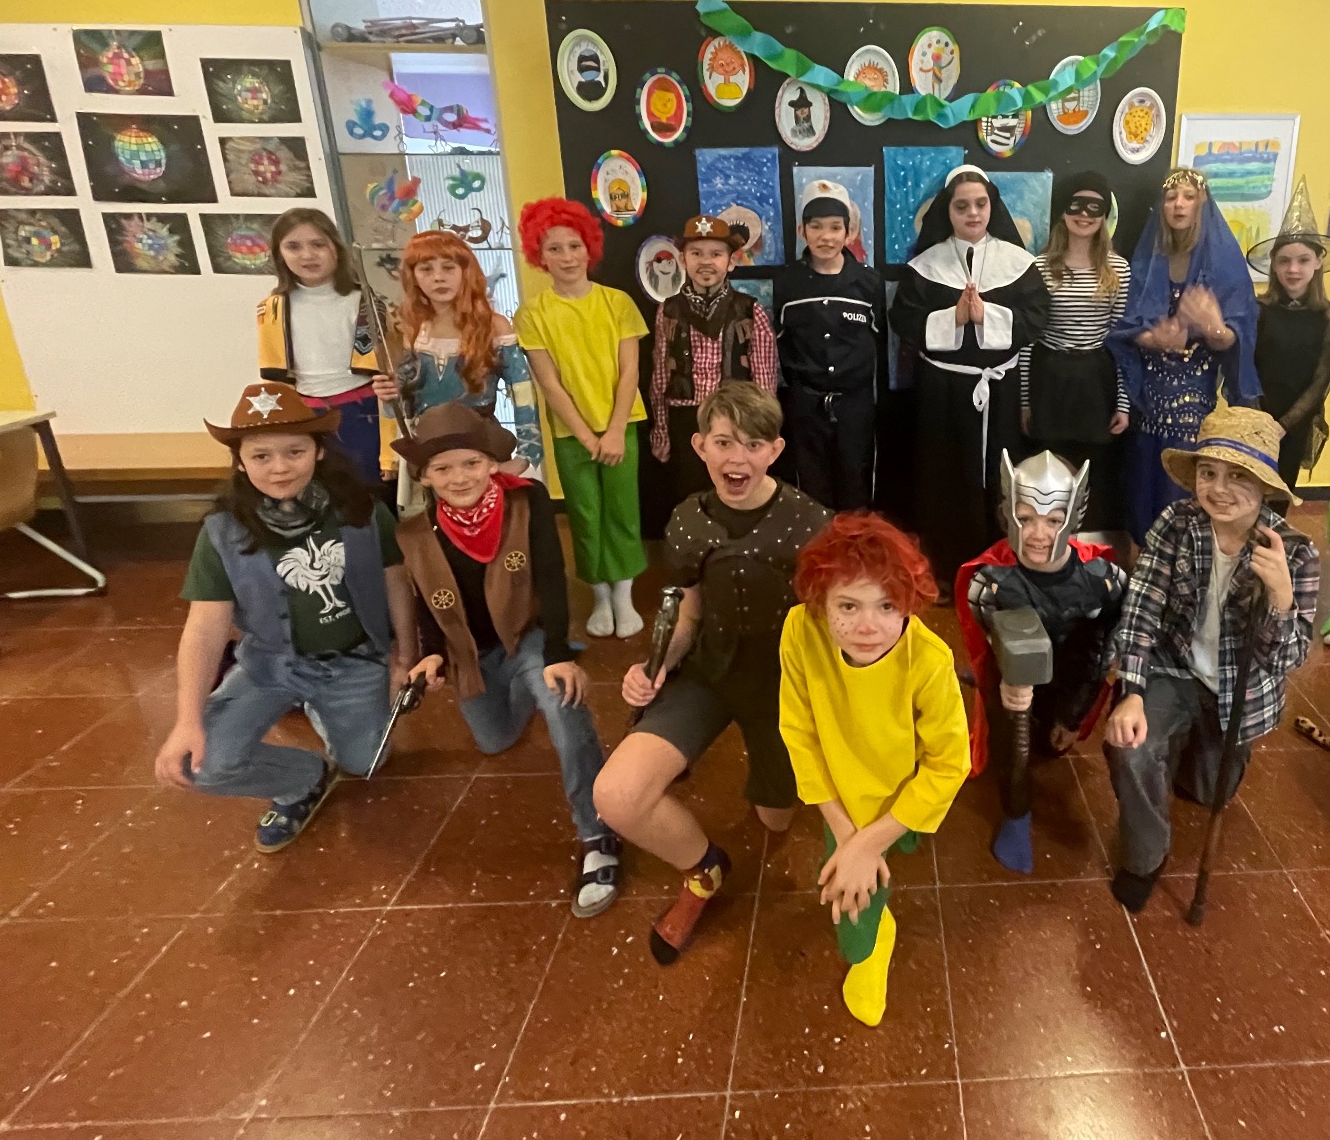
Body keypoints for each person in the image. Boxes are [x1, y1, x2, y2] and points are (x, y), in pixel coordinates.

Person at [594, 381, 831, 963]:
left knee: (776, 819)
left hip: (783, 683)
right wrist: (655, 665)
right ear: (700, 446)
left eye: (752, 444)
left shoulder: (812, 524)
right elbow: (687, 613)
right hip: (710, 671)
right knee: (617, 795)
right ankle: (704, 869)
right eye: (723, 442)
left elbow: (836, 619)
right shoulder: (687, 520)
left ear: (774, 450)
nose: (736, 458)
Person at [153, 381, 414, 853]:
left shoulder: (362, 512)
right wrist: (187, 720)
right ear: (240, 461)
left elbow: (397, 582)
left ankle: (326, 709)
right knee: (200, 763)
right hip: (270, 665)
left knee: (366, 763)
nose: (279, 468)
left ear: (318, 452)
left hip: (355, 661)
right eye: (261, 456)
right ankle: (303, 779)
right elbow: (204, 629)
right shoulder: (221, 531)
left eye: (295, 452)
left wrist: (403, 659)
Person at [390, 403, 620, 917]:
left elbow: (552, 577)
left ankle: (597, 830)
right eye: (443, 468)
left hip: (529, 635)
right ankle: (523, 687)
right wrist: (431, 656)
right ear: (424, 476)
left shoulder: (527, 502)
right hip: (472, 654)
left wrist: (557, 652)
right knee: (494, 739)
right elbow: (426, 603)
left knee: (562, 703)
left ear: (492, 462)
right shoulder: (415, 533)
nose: (459, 477)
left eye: (471, 463)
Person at [1104, 402, 1318, 912]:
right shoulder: (1176, 524)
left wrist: (1281, 597)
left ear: (1265, 485)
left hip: (1241, 690)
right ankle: (1145, 857)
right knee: (1131, 748)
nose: (1219, 489)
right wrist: (1131, 691)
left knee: (1206, 793)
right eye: (1208, 472)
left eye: (1237, 476)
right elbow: (1141, 609)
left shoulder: (1295, 552)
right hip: (1173, 667)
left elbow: (1286, 659)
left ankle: (1192, 751)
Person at [779, 512, 969, 1026]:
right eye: (848, 606)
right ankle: (868, 946)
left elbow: (951, 761)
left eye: (887, 606)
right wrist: (849, 838)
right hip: (842, 792)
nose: (867, 626)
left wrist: (872, 841)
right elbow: (798, 731)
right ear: (820, 602)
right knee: (850, 895)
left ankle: (892, 842)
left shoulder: (929, 659)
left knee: (881, 851)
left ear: (909, 603)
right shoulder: (800, 631)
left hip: (901, 783)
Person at [956, 451, 1125, 873]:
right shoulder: (991, 583)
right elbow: (990, 642)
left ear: (1073, 516)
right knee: (1011, 729)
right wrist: (1004, 679)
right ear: (1008, 513)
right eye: (1026, 517)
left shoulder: (1103, 581)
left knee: (1051, 747)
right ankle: (1017, 814)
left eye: (1053, 520)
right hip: (1016, 684)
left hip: (1070, 679)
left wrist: (1074, 715)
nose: (1037, 533)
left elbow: (1104, 649)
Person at [888, 166, 1051, 590]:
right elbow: (903, 319)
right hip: (942, 392)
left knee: (1000, 477)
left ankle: (998, 568)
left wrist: (987, 315)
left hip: (1000, 390)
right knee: (943, 478)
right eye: (962, 206)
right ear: (948, 211)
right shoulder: (926, 265)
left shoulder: (1018, 264)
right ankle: (945, 571)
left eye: (981, 204)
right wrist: (953, 318)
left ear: (992, 207)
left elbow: (1037, 317)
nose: (973, 213)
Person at [516, 198, 648, 639]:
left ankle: (624, 592)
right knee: (585, 515)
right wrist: (587, 437)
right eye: (554, 248)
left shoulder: (618, 303)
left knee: (623, 510)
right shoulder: (533, 314)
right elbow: (550, 384)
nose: (567, 257)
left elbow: (630, 371)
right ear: (539, 254)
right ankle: (600, 595)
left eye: (574, 246)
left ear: (589, 247)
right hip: (570, 433)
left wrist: (614, 431)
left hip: (621, 425)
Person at [1110, 168, 1261, 544]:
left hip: (1193, 408)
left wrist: (1213, 328)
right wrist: (1155, 338)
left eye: (1188, 197)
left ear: (1202, 204)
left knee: (1183, 494)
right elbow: (1125, 329)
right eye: (1170, 197)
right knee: (1141, 494)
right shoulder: (1149, 259)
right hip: (1147, 404)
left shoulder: (1223, 264)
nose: (1178, 204)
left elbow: (1236, 338)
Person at [372, 229, 543, 499]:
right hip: (430, 455)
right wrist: (387, 395)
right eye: (426, 269)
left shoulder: (494, 327)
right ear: (413, 276)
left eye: (448, 267)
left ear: (465, 272)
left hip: (480, 451)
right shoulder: (410, 329)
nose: (438, 277)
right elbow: (400, 408)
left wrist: (526, 455)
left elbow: (523, 395)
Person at [1021, 172, 1132, 533]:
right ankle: (1045, 544)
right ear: (1062, 211)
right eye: (1076, 205)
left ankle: (1087, 548)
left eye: (1094, 207)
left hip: (1095, 381)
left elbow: (1121, 340)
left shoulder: (1117, 269)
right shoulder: (1039, 267)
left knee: (1092, 471)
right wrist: (1024, 401)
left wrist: (1123, 402)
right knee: (1047, 469)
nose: (1084, 214)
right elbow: (1028, 339)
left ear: (1105, 215)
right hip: (1049, 377)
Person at [649, 214, 779, 502]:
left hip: (737, 418)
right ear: (682, 259)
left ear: (731, 262)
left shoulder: (750, 311)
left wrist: (763, 433)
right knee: (690, 493)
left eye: (716, 254)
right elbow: (660, 375)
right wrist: (661, 429)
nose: (705, 262)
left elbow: (765, 381)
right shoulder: (668, 311)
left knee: (734, 492)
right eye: (696, 253)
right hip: (685, 419)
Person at [256, 208, 389, 485]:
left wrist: (389, 449)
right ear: (279, 254)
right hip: (305, 415)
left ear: (336, 248)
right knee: (317, 490)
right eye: (294, 246)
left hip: (362, 413)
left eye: (318, 244)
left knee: (370, 490)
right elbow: (277, 377)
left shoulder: (364, 302)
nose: (307, 255)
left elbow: (386, 376)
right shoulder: (272, 309)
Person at [773, 182, 885, 510]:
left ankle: (855, 542)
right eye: (816, 226)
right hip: (804, 406)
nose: (826, 236)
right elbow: (779, 341)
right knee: (810, 488)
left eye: (836, 227)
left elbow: (879, 343)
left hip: (855, 406)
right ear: (802, 231)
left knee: (856, 483)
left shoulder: (868, 283)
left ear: (849, 232)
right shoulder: (787, 283)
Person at [1247, 178, 1330, 502]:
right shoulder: (1257, 309)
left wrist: (1284, 425)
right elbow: (1245, 367)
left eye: (1303, 260)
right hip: (1254, 416)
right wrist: (1259, 418)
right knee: (1246, 489)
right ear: (1274, 265)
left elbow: (1321, 379)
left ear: (1318, 262)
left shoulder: (1329, 318)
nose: (1293, 269)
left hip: (1296, 422)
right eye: (1284, 261)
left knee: (1280, 493)